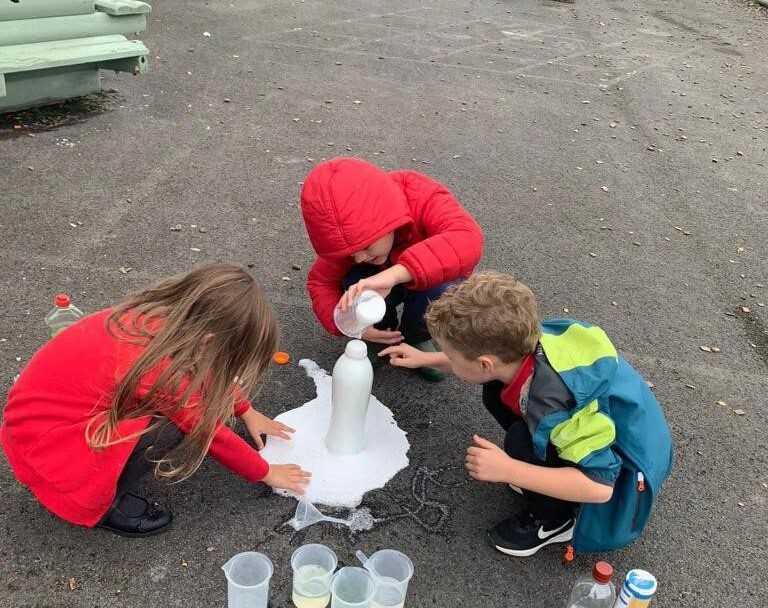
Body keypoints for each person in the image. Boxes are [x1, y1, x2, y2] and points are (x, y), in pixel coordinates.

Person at [0, 263, 310, 537]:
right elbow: (209, 432)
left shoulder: (155, 321)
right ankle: (103, 503)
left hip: (33, 426)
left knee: (175, 408)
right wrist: (266, 471)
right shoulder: (160, 370)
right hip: (47, 453)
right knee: (171, 428)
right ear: (209, 342)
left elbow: (206, 369)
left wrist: (245, 409)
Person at [380, 272, 674, 556]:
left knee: (520, 442)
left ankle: (554, 520)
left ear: (484, 363)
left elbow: (600, 486)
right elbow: (480, 363)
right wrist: (425, 357)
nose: (448, 360)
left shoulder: (556, 406)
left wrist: (509, 469)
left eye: (450, 356)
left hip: (623, 477)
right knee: (495, 392)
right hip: (616, 435)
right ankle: (541, 473)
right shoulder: (529, 343)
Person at [300, 157, 483, 381]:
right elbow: (320, 282)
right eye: (350, 253)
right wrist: (352, 327)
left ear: (386, 220)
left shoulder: (420, 195)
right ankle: (379, 331)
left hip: (427, 280)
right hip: (379, 285)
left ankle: (415, 337)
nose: (359, 257)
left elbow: (467, 239)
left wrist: (396, 274)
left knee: (444, 291)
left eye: (366, 246)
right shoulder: (345, 240)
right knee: (351, 282)